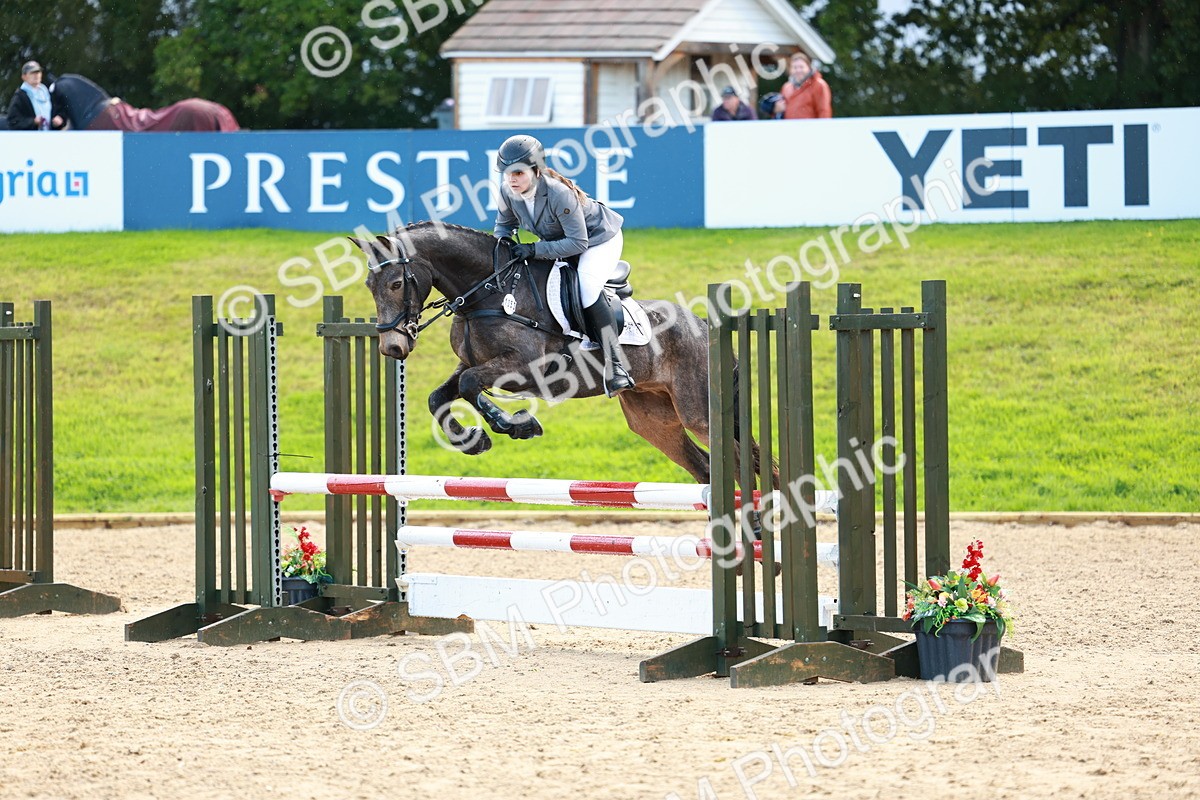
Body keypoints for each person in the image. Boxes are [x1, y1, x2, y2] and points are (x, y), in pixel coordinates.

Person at [493, 134, 635, 396]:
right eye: (506, 173)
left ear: (536, 171)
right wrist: (500, 249)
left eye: (518, 173)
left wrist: (534, 249)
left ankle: (616, 366)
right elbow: (504, 226)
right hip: (562, 242)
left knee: (587, 288)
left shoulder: (559, 194)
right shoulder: (507, 192)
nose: (511, 179)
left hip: (598, 240)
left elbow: (578, 244)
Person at [7, 61, 69, 131]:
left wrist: (59, 119)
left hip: (50, 138)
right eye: (32, 73)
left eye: (38, 72)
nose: (36, 75)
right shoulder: (20, 97)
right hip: (30, 139)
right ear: (24, 77)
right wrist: (33, 122)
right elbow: (13, 121)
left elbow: (61, 112)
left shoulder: (48, 93)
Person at [781, 52, 832, 120]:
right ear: (790, 69)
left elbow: (824, 111)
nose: (798, 70)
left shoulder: (819, 85)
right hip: (789, 128)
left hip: (810, 129)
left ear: (808, 67)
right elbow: (780, 111)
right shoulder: (786, 87)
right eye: (795, 67)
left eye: (801, 67)